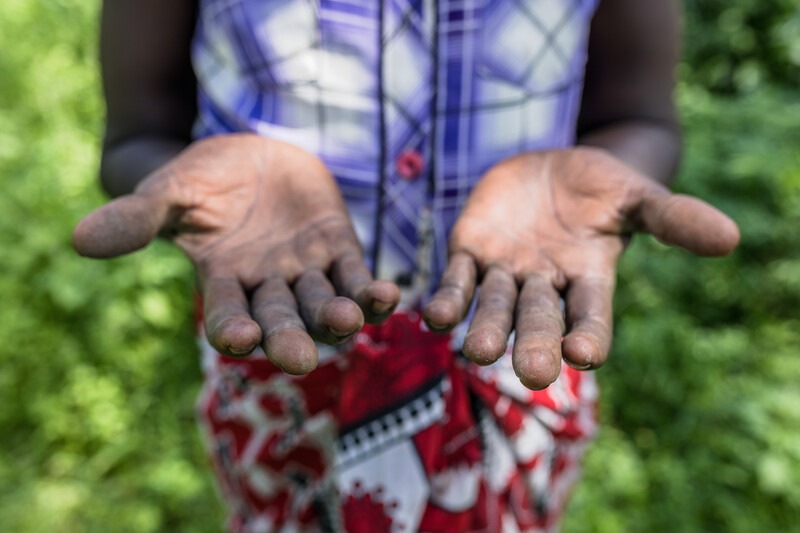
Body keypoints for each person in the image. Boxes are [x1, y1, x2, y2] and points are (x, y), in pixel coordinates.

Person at [73, 0, 739, 531]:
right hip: (279, 353)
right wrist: (207, 190)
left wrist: (598, 181)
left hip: (518, 345)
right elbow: (137, 134)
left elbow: (639, 115)